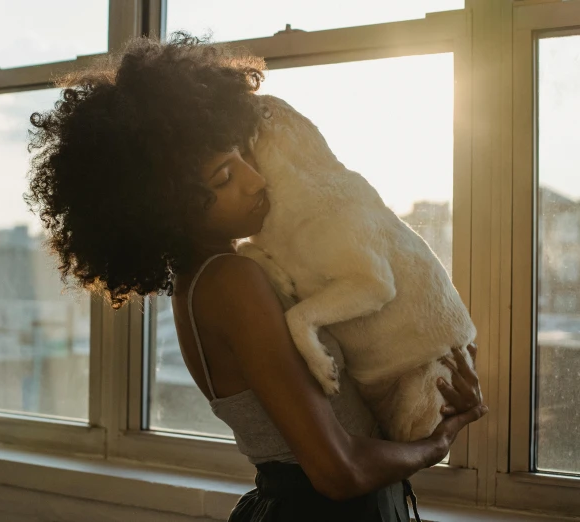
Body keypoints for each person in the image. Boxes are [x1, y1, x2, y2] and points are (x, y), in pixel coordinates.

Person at [25, 33, 487, 522]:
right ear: (166, 213)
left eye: (243, 157)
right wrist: (439, 441)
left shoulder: (224, 274)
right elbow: (340, 471)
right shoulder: (231, 282)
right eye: (224, 179)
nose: (255, 180)